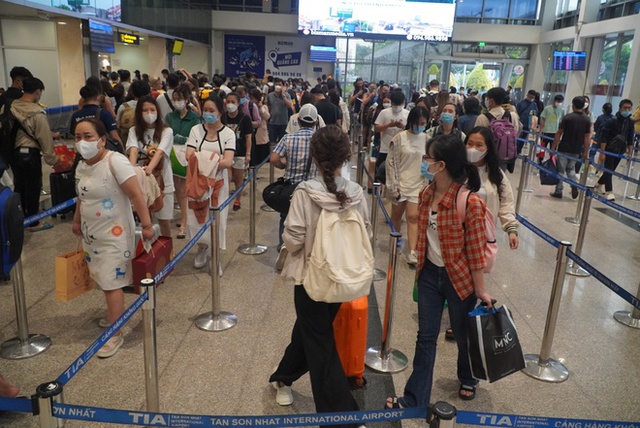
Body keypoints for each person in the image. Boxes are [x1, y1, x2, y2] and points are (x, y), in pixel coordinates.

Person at [386, 133, 494, 410]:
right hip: (430, 276)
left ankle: (468, 377)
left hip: (459, 279)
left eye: (428, 158)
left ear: (441, 165)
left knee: (462, 332)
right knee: (426, 337)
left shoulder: (470, 203)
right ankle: (414, 398)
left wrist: (480, 289)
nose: (424, 162)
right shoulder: (425, 194)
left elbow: (475, 251)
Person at [270, 125, 369, 422]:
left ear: (314, 156)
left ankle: (342, 417)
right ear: (346, 156)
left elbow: (293, 238)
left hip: (309, 278)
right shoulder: (355, 193)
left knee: (318, 341)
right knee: (314, 334)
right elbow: (366, 229)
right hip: (343, 277)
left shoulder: (305, 192)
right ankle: (283, 377)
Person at [72, 118, 154, 358]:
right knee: (102, 277)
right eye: (77, 137)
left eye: (88, 136)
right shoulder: (82, 165)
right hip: (92, 234)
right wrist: (76, 221)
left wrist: (147, 225)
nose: (82, 142)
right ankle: (114, 315)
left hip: (114, 234)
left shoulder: (115, 161)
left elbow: (137, 196)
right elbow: (81, 197)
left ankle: (115, 333)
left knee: (111, 282)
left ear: (102, 139)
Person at [185, 95, 235, 269]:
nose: (207, 114)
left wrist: (202, 159)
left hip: (218, 186)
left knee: (217, 220)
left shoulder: (228, 134)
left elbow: (228, 162)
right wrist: (214, 159)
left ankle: (216, 256)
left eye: (211, 110)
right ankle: (202, 248)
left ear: (220, 112)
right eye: (205, 110)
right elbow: (188, 156)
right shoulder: (195, 130)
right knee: (196, 219)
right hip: (197, 183)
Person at [5, 77, 60, 231]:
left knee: (20, 186)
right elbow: (44, 138)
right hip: (30, 154)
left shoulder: (10, 107)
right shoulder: (36, 112)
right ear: (37, 92)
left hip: (13, 154)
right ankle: (34, 222)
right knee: (33, 188)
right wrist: (52, 159)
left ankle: (20, 216)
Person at [270, 104, 319, 269]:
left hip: (291, 188)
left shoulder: (288, 138)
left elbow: (274, 158)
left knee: (286, 218)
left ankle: (283, 246)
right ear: (315, 122)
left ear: (298, 120)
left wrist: (284, 165)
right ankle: (305, 253)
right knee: (309, 221)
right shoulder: (320, 140)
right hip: (312, 188)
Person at [126, 96, 175, 238]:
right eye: (145, 110)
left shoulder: (167, 131)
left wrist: (149, 169)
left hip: (162, 180)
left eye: (152, 110)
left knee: (163, 219)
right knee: (145, 220)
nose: (149, 113)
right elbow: (133, 150)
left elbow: (159, 153)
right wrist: (132, 170)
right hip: (142, 181)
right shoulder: (134, 131)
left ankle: (167, 250)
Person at [386, 106, 429, 266]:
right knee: (396, 217)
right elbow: (390, 163)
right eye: (417, 123)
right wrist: (393, 185)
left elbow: (430, 162)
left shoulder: (427, 139)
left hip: (417, 185)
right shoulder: (399, 138)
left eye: (423, 123)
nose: (420, 126)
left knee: (413, 217)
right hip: (400, 184)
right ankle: (396, 241)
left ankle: (412, 251)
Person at [465, 127, 519, 249]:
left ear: (488, 148)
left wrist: (511, 229)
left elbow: (506, 202)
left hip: (483, 235)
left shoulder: (496, 174)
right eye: (470, 144)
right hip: (456, 233)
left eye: (479, 145)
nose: (473, 149)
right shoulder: (456, 171)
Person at [165, 83, 202, 239]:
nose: (177, 102)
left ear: (187, 100)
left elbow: (197, 138)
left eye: (180, 99)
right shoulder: (170, 116)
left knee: (187, 190)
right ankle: (184, 218)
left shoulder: (194, 118)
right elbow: (165, 133)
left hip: (188, 157)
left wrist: (184, 140)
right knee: (178, 191)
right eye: (174, 99)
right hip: (172, 157)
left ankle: (186, 221)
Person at [549, 96, 591, 199]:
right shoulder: (586, 119)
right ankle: (574, 185)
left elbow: (559, 133)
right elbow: (587, 137)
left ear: (573, 105)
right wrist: (585, 151)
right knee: (571, 169)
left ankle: (558, 191)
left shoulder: (567, 117)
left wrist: (553, 148)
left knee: (561, 170)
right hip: (576, 149)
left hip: (564, 147)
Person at [595, 99, 635, 201]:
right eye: (624, 108)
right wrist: (602, 152)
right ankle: (609, 191)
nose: (627, 110)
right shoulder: (612, 121)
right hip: (609, 149)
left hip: (620, 150)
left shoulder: (630, 122)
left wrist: (630, 153)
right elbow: (604, 136)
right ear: (620, 108)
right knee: (608, 169)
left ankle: (598, 184)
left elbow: (630, 138)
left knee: (611, 170)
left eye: (629, 108)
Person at [223, 92, 253, 211]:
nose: (230, 104)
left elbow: (248, 137)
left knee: (238, 178)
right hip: (226, 152)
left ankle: (237, 200)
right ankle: (225, 198)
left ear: (238, 103)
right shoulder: (223, 117)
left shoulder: (245, 118)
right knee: (227, 177)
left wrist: (248, 153)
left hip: (240, 151)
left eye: (233, 102)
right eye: (228, 101)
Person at [70, 84, 122, 150]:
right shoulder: (104, 113)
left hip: (84, 151)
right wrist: (123, 152)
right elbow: (114, 135)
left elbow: (74, 136)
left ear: (83, 99)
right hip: (102, 150)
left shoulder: (76, 116)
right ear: (98, 97)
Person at [374, 90, 408, 178]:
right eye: (395, 104)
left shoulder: (407, 114)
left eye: (399, 104)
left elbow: (410, 131)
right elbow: (376, 128)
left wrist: (402, 126)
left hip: (402, 149)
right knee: (382, 173)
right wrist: (389, 125)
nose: (397, 107)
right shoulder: (384, 112)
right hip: (385, 149)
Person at [538, 94, 565, 164]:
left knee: (553, 148)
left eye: (560, 101)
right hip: (546, 131)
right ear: (554, 100)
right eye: (558, 101)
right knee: (542, 147)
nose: (559, 103)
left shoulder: (562, 110)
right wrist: (540, 130)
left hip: (555, 132)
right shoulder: (547, 108)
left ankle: (551, 161)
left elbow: (561, 122)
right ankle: (540, 160)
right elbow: (543, 120)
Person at [266, 78, 294, 145]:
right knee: (272, 142)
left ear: (283, 86)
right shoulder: (270, 95)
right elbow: (268, 107)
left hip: (283, 123)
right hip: (273, 123)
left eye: (279, 84)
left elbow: (289, 106)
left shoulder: (287, 95)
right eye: (276, 84)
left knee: (282, 143)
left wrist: (283, 95)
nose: (278, 86)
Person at [251, 89, 271, 165]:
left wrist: (260, 107)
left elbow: (267, 117)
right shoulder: (249, 106)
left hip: (260, 133)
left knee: (261, 155)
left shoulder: (263, 107)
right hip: (251, 134)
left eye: (253, 98)